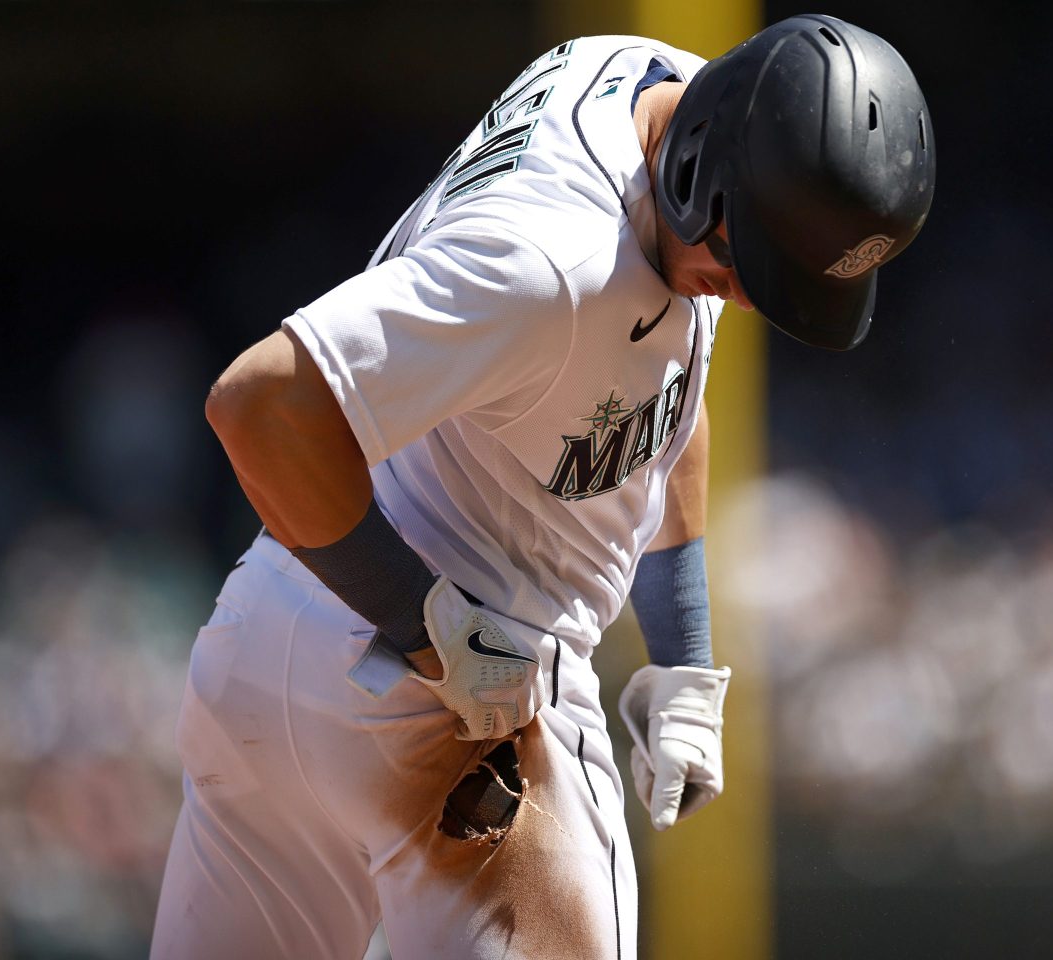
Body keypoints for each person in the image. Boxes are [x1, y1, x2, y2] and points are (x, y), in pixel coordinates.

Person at [150, 13, 935, 959]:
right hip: (459, 698)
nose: (745, 292)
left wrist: (682, 657)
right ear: (700, 169)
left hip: (269, 644)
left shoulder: (674, 95)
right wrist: (424, 622)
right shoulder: (556, 263)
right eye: (743, 263)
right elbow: (260, 406)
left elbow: (664, 387)